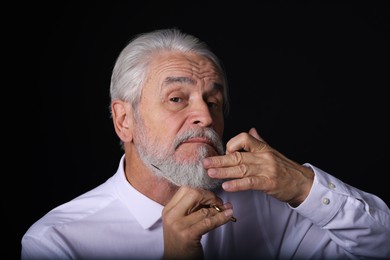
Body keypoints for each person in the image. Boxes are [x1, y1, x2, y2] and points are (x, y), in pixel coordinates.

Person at [21, 28, 390, 259]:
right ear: (124, 120)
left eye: (213, 101)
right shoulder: (57, 243)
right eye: (177, 98)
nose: (206, 117)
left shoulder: (266, 209)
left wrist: (301, 186)